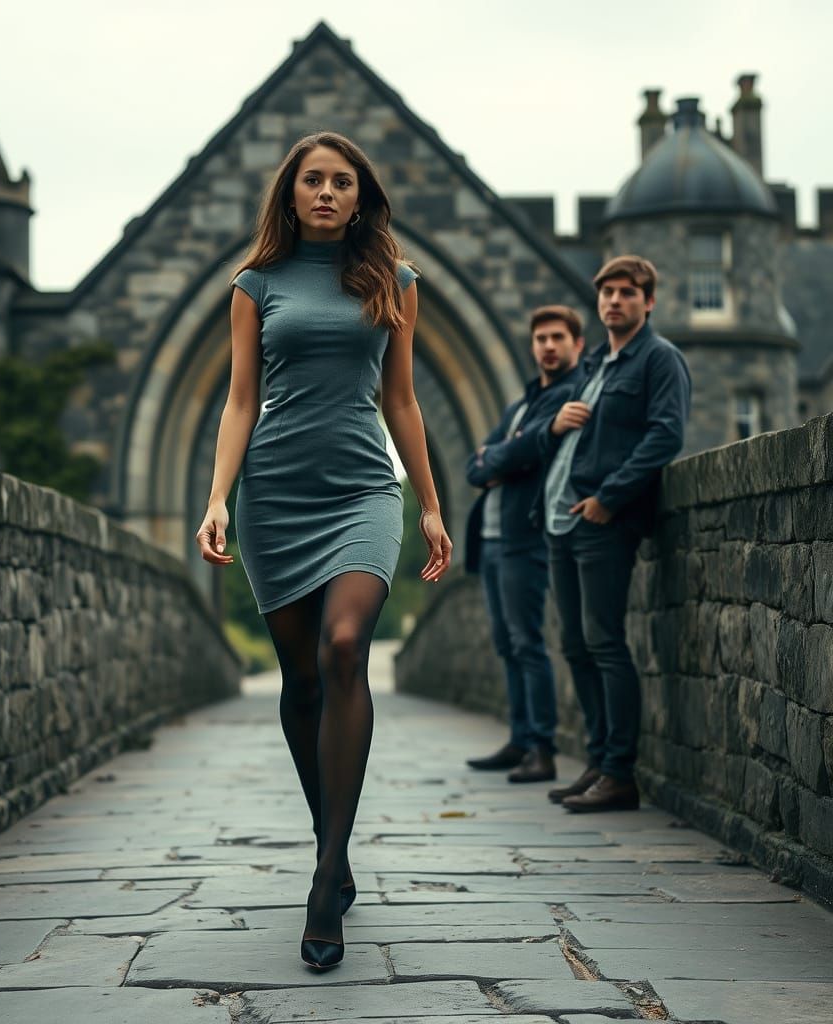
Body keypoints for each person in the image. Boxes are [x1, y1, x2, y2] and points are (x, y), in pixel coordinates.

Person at [196, 132, 451, 971]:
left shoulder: (395, 283)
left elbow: (403, 400)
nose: (329, 192)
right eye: (314, 180)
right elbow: (239, 402)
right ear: (291, 192)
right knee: (302, 679)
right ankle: (330, 838)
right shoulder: (254, 285)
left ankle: (325, 875)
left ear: (361, 194)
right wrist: (218, 499)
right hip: (275, 496)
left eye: (343, 181)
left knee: (346, 650)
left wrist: (432, 504)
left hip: (362, 493)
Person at [538, 254, 690, 813]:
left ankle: (621, 773)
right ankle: (600, 761)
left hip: (604, 520)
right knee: (576, 644)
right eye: (607, 293)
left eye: (627, 293)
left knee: (604, 641)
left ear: (648, 301)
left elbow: (665, 436)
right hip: (562, 520)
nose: (614, 301)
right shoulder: (596, 362)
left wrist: (610, 497)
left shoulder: (660, 359)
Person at [464, 307, 584, 783]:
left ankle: (542, 747)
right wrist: (515, 451)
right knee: (506, 643)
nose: (548, 346)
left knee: (527, 641)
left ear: (577, 343)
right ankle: (519, 739)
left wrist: (507, 454)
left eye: (557, 337)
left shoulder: (573, 397)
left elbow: (526, 455)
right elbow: (476, 467)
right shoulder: (522, 405)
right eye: (540, 339)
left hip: (525, 538)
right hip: (492, 539)